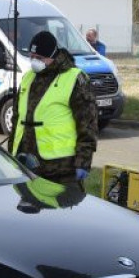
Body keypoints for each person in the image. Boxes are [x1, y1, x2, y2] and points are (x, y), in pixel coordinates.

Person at [11, 30, 98, 187]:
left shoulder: (74, 79)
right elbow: (16, 118)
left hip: (61, 168)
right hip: (26, 164)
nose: (34, 61)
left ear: (53, 56)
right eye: (32, 56)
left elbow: (88, 124)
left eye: (39, 58)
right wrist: (11, 154)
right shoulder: (28, 77)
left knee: (59, 210)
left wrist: (83, 161)